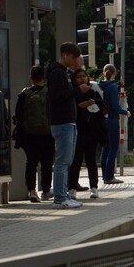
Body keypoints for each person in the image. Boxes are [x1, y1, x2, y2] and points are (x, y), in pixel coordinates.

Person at [48, 42, 90, 209]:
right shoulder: (57, 73)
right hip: (62, 122)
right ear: (65, 55)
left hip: (68, 122)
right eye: (73, 58)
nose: (74, 61)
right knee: (62, 161)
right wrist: (78, 90)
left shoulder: (63, 72)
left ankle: (63, 194)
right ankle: (60, 197)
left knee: (66, 161)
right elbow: (58, 96)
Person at [13, 65, 54, 202]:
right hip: (47, 134)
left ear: (30, 77)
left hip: (28, 135)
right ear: (44, 78)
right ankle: (46, 191)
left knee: (31, 162)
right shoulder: (48, 93)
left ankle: (31, 190)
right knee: (47, 163)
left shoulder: (24, 94)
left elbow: (17, 115)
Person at [70, 69, 106, 200]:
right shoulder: (73, 94)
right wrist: (80, 106)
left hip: (91, 131)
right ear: (74, 80)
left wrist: (94, 103)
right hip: (77, 131)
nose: (82, 79)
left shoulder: (93, 93)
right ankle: (72, 188)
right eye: (79, 77)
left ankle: (94, 187)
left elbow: (102, 109)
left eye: (84, 76)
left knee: (91, 161)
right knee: (76, 161)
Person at [98, 65, 128, 186]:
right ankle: (109, 176)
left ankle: (104, 175)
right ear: (114, 73)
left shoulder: (99, 86)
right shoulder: (113, 87)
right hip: (112, 120)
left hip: (102, 120)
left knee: (105, 148)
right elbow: (115, 105)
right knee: (113, 148)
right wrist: (125, 112)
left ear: (103, 73)